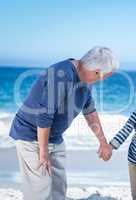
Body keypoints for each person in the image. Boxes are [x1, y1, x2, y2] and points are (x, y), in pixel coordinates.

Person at [9, 46, 119, 200]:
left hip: (55, 137)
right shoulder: (61, 74)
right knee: (39, 189)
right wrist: (43, 151)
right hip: (31, 135)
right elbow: (45, 115)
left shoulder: (86, 80)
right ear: (95, 71)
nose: (101, 80)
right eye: (103, 77)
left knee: (58, 189)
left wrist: (103, 142)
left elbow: (90, 111)